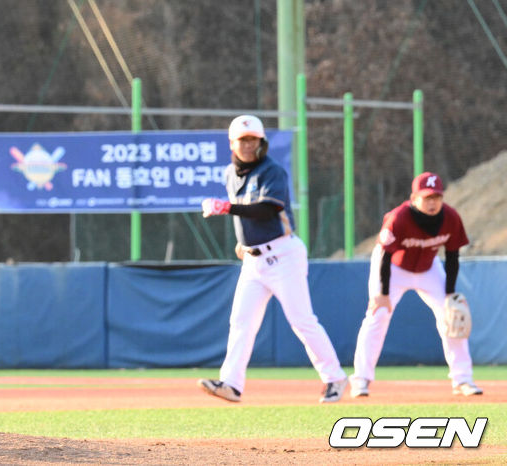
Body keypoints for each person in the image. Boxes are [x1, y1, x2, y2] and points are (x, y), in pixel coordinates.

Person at [196, 115, 348, 403]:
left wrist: (227, 208)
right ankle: (231, 384)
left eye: (253, 139)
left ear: (261, 141)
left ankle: (335, 378)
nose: (248, 144)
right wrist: (243, 243)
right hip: (253, 260)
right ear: (232, 143)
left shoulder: (272, 171)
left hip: (283, 254)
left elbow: (267, 208)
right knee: (241, 321)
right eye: (242, 140)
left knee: (302, 320)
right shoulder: (230, 173)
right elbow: (244, 214)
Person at [349, 172, 481, 397]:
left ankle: (463, 379)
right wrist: (382, 293)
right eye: (427, 197)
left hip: (428, 269)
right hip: (393, 268)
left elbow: (452, 256)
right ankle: (361, 379)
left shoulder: (450, 217)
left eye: (437, 197)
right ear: (414, 197)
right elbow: (385, 256)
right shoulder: (399, 218)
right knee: (378, 314)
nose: (432, 202)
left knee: (452, 316)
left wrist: (449, 293)